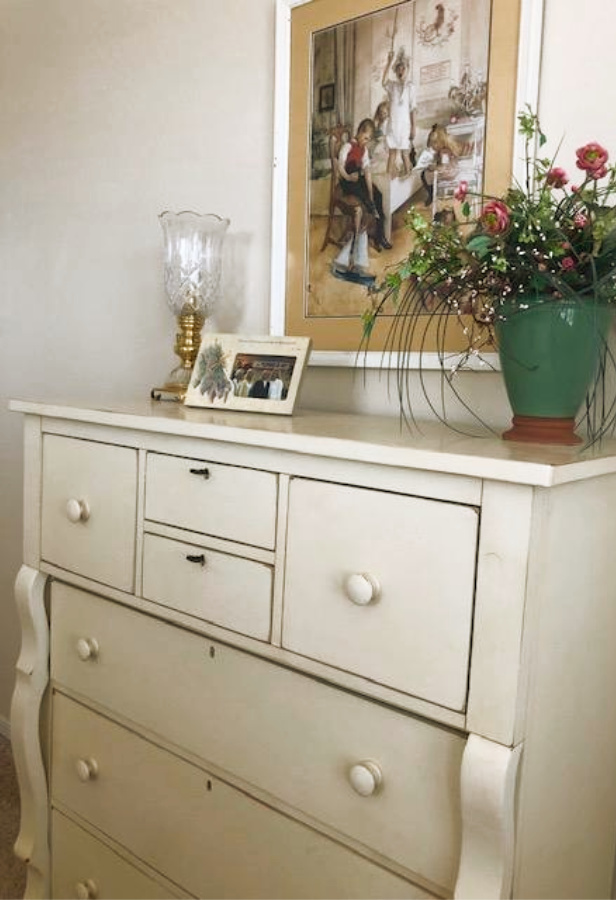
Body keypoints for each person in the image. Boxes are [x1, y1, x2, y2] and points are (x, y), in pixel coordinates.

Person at [382, 46, 417, 178]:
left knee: (404, 153)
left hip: (405, 125)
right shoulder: (392, 86)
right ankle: (388, 181)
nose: (400, 71)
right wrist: (389, 62)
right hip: (393, 125)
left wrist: (413, 127)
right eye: (398, 68)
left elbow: (413, 108)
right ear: (395, 71)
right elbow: (384, 81)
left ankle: (408, 179)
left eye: (403, 68)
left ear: (407, 69)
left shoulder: (410, 87)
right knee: (392, 153)